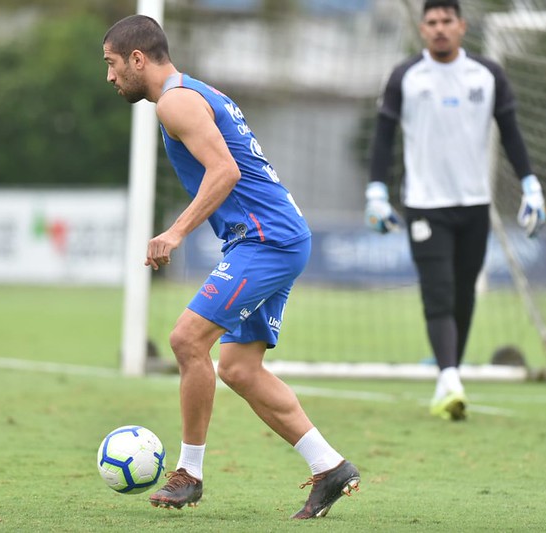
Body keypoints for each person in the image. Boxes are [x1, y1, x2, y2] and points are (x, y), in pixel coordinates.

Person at [102, 14, 360, 519]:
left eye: (112, 64)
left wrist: (175, 232)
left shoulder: (175, 101)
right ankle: (329, 466)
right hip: (276, 236)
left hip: (266, 239)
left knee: (186, 339)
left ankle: (189, 474)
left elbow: (226, 170)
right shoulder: (195, 92)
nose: (110, 76)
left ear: (137, 58)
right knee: (239, 369)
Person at [364, 0, 546, 421]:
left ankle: (449, 375)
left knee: (464, 294)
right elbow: (383, 137)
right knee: (439, 289)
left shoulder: (487, 74)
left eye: (447, 20)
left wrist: (531, 185)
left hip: (474, 204)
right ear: (422, 29)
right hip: (425, 205)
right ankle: (449, 377)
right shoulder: (405, 76)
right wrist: (376, 192)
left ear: (462, 26)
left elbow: (512, 133)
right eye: (432, 21)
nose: (440, 28)